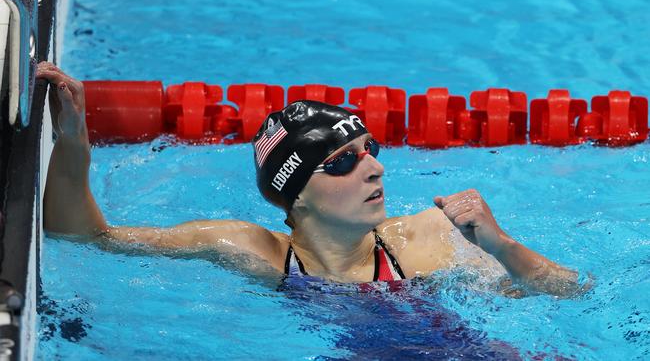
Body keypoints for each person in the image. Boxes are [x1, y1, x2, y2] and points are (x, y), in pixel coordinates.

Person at [37, 61, 584, 296]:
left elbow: (569, 293)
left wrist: (504, 248)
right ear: (295, 194)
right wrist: (74, 140)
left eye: (370, 149)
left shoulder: (426, 238)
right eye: (343, 160)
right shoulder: (251, 251)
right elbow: (84, 238)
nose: (375, 166)